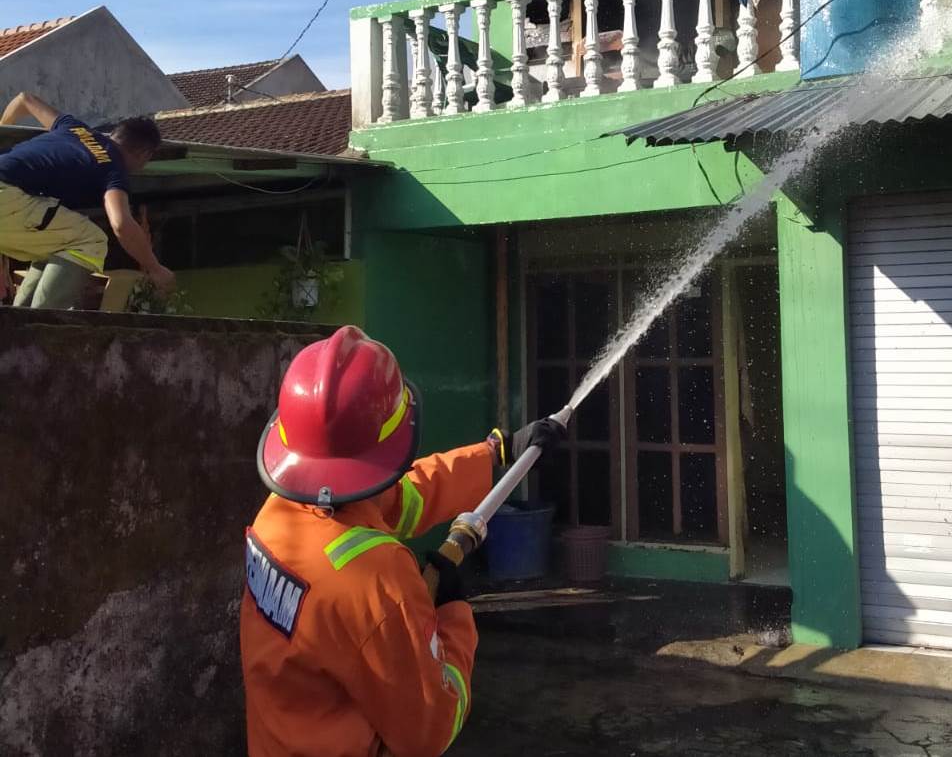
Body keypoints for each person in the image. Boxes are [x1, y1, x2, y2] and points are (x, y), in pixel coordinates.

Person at [241, 325, 565, 757]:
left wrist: (496, 452)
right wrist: (452, 612)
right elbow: (431, 727)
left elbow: (402, 498)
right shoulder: (378, 582)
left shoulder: (278, 514)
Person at [0, 91, 174, 308]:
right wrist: (155, 268)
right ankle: (40, 322)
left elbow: (25, 99)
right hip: (6, 195)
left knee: (57, 242)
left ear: (114, 135)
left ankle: (17, 319)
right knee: (91, 240)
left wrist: (3, 128)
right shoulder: (112, 167)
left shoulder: (74, 128)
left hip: (9, 194)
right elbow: (121, 224)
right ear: (144, 154)